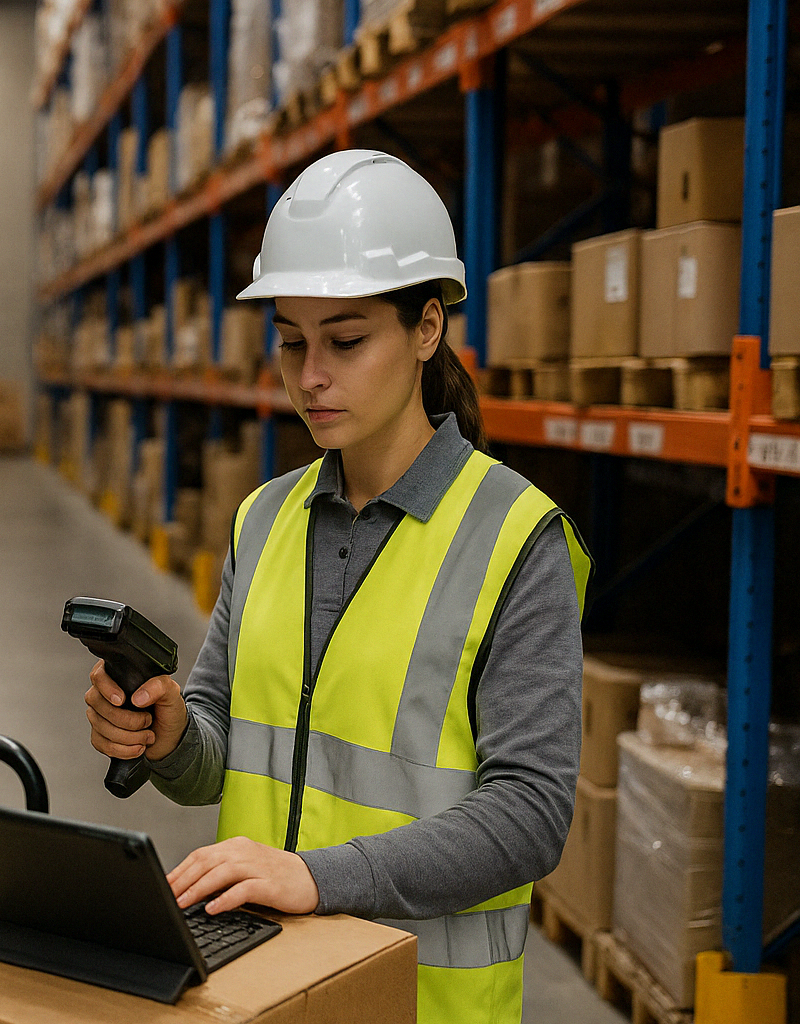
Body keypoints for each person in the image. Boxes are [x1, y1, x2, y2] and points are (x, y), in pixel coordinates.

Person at [83, 150, 591, 1024]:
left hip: (421, 1005)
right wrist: (167, 735)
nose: (310, 375)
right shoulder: (265, 519)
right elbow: (217, 755)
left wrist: (319, 878)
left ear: (427, 328)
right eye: (290, 341)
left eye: (346, 341)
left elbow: (531, 813)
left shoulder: (515, 537)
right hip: (259, 990)